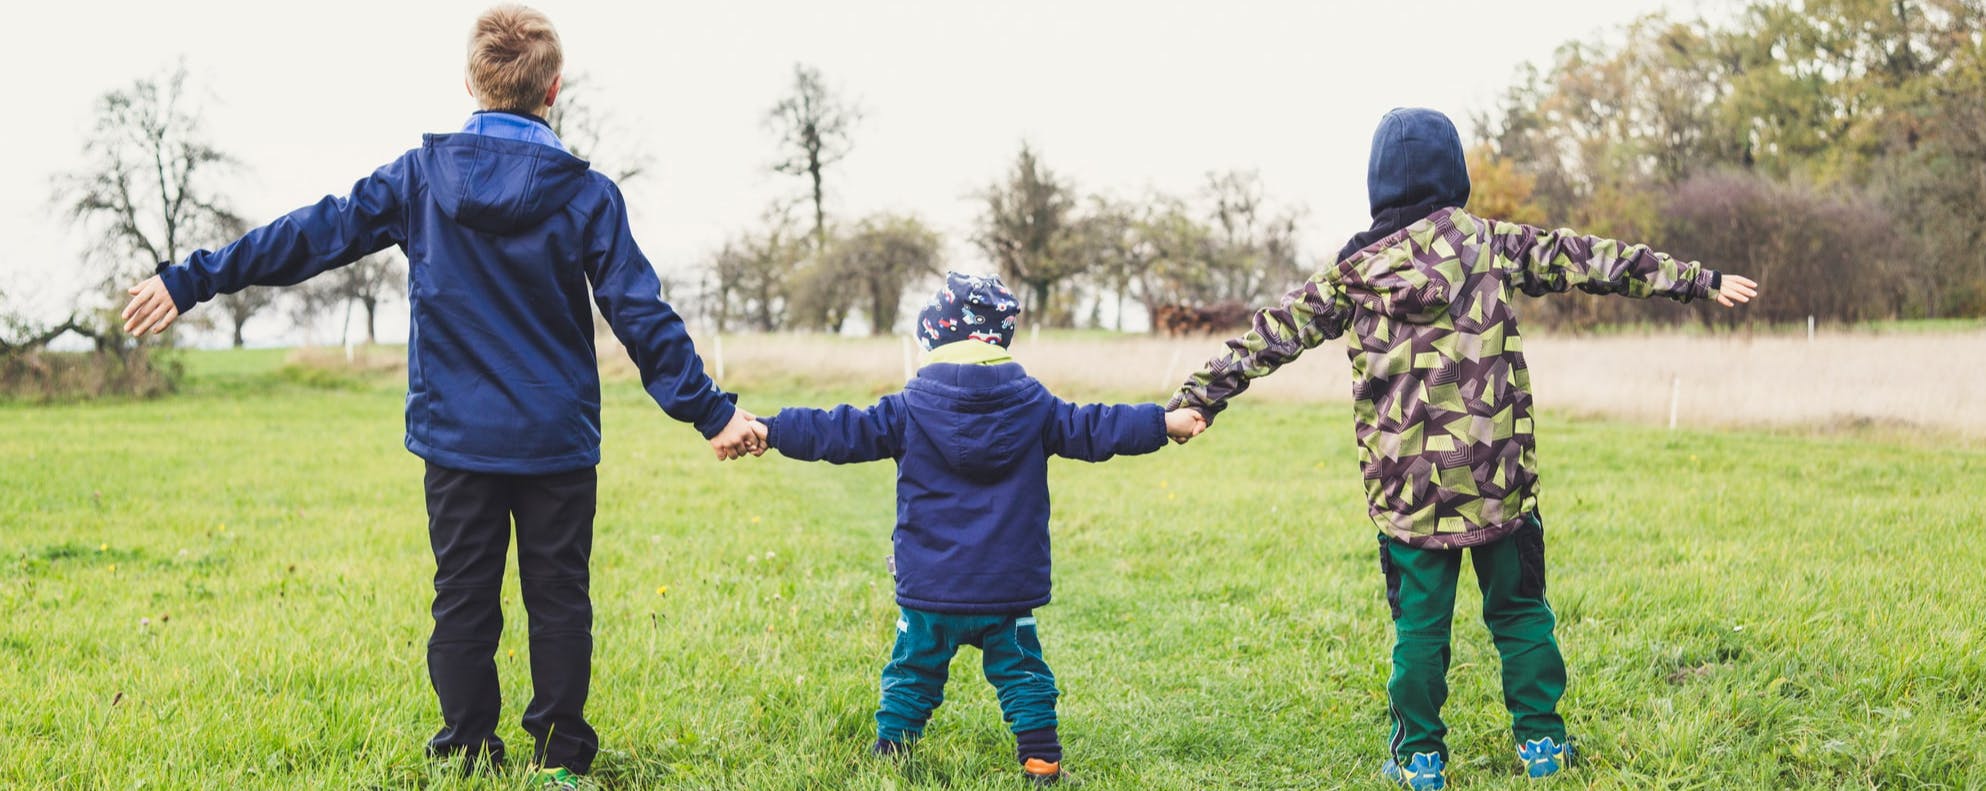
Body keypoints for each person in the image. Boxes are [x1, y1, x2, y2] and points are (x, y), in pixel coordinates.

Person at [117, 5, 762, 786]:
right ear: (553, 88)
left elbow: (310, 234)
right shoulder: (588, 194)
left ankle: (465, 748)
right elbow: (640, 314)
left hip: (457, 439)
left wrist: (192, 278)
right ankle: (560, 761)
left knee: (462, 598)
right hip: (555, 439)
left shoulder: (419, 179)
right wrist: (711, 411)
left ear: (468, 81)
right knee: (559, 598)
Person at [1167, 108, 1758, 789]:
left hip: (1410, 495)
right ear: (1455, 175)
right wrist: (1697, 279)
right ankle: (1541, 744)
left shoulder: (1352, 274)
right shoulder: (1487, 244)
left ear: (1378, 185)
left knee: (1419, 630)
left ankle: (1419, 755)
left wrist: (1200, 396)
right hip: (1497, 479)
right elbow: (1588, 258)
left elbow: (1271, 333)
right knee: (1519, 612)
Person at [748, 272, 1204, 785]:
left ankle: (891, 754)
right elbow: (1096, 426)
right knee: (1023, 675)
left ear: (935, 338)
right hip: (1005, 588)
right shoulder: (1036, 406)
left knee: (912, 671)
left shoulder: (907, 408)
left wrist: (771, 428)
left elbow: (838, 430)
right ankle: (1040, 760)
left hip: (930, 588)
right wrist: (1163, 423)